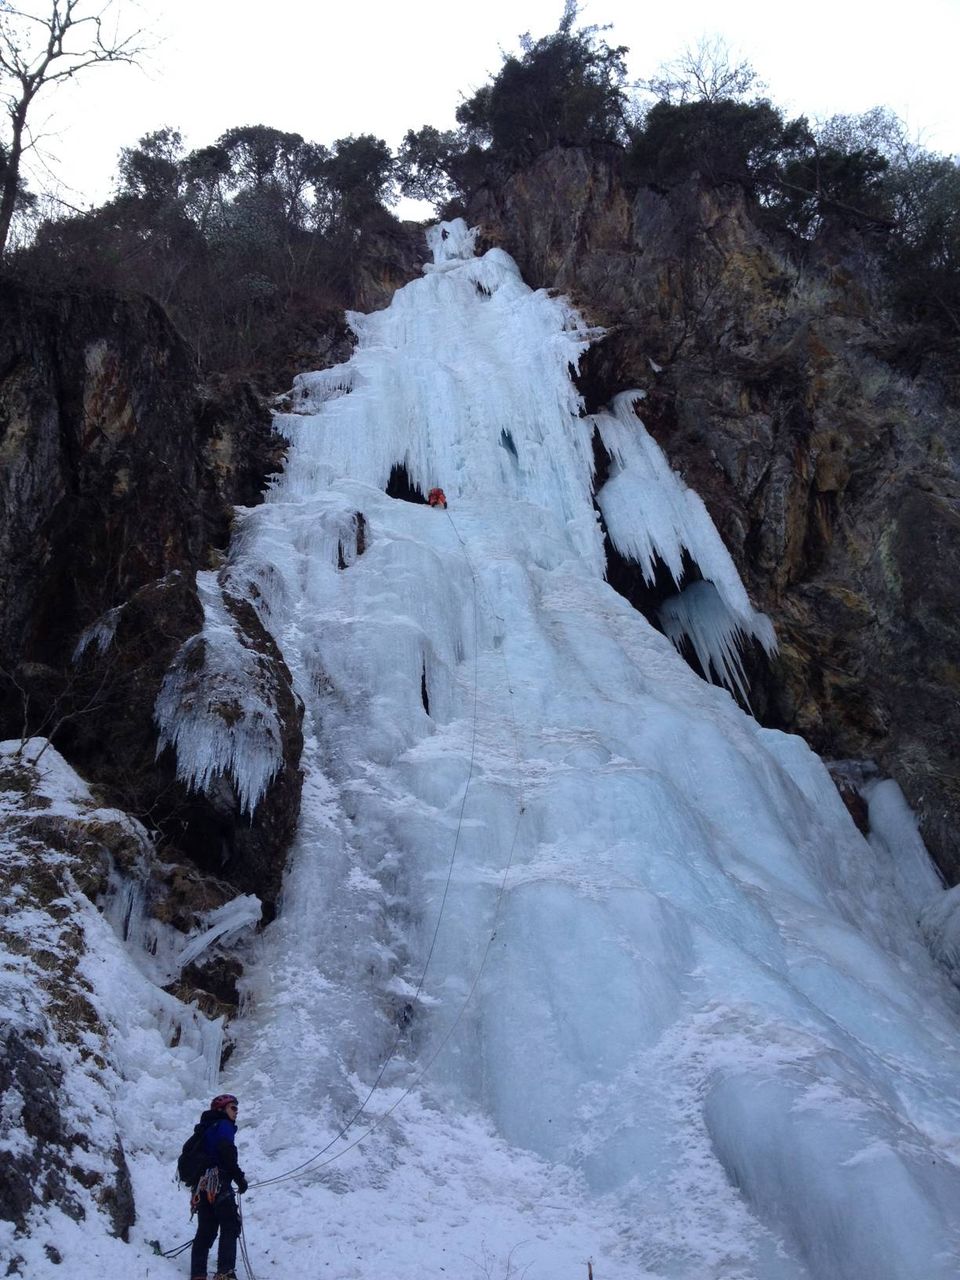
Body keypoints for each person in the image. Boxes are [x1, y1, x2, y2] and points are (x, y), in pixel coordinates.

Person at [189, 1093, 248, 1280]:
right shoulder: (224, 1125)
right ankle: (225, 1273)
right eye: (233, 1108)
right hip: (219, 1182)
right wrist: (239, 1178)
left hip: (202, 1186)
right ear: (221, 1110)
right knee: (230, 1224)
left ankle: (198, 1273)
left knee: (206, 1230)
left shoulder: (208, 1128)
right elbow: (226, 1150)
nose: (236, 1112)